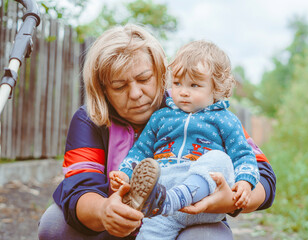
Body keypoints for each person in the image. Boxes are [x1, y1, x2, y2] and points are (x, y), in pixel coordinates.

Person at [37, 24, 276, 240]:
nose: (135, 93)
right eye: (119, 86)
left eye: (144, 79)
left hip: (186, 220)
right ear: (103, 90)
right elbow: (79, 186)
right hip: (118, 225)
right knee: (54, 225)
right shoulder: (90, 119)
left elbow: (260, 170)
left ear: (161, 73)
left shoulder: (194, 108)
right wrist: (103, 211)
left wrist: (232, 201)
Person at [109, 40, 261, 239]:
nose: (183, 91)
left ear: (217, 88)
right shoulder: (160, 117)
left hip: (205, 199)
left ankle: (176, 198)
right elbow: (140, 152)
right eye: (178, 83)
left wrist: (245, 182)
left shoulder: (226, 120)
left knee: (219, 159)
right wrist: (125, 174)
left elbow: (243, 155)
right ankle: (168, 200)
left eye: (194, 85)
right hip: (161, 205)